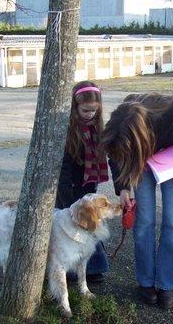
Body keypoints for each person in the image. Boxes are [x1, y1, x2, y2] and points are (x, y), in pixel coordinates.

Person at [101, 93, 173, 309]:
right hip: (141, 160)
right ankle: (146, 282)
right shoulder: (121, 121)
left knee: (171, 222)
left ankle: (167, 283)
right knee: (143, 223)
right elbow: (115, 154)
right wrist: (123, 188)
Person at [55, 81, 109, 283]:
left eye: (94, 111)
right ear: (75, 107)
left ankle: (94, 268)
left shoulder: (97, 128)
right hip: (68, 185)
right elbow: (64, 166)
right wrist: (66, 195)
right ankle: (67, 269)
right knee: (69, 227)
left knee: (91, 223)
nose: (90, 114)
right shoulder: (68, 129)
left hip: (88, 184)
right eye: (85, 110)